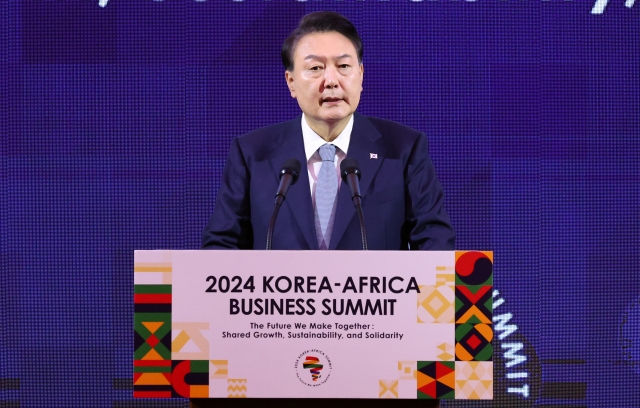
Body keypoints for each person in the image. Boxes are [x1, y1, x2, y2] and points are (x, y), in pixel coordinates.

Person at [202, 11, 455, 252]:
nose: (332, 80)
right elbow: (221, 246)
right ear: (291, 82)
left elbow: (435, 244)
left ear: (361, 75)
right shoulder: (252, 153)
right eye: (315, 68)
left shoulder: (403, 148)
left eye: (344, 66)